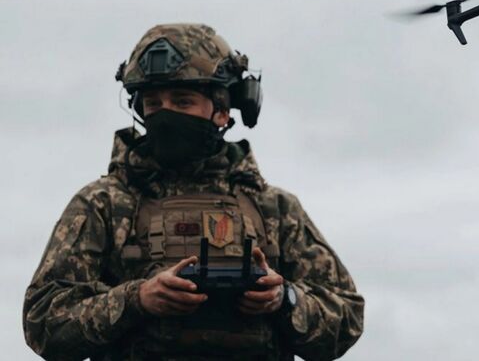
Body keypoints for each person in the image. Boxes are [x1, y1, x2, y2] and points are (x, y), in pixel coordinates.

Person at [22, 23, 364, 360]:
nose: (166, 114)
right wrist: (137, 299)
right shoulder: (105, 203)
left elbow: (346, 318)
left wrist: (284, 299)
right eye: (153, 104)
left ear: (222, 111)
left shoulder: (274, 208)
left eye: (183, 102)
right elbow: (43, 322)